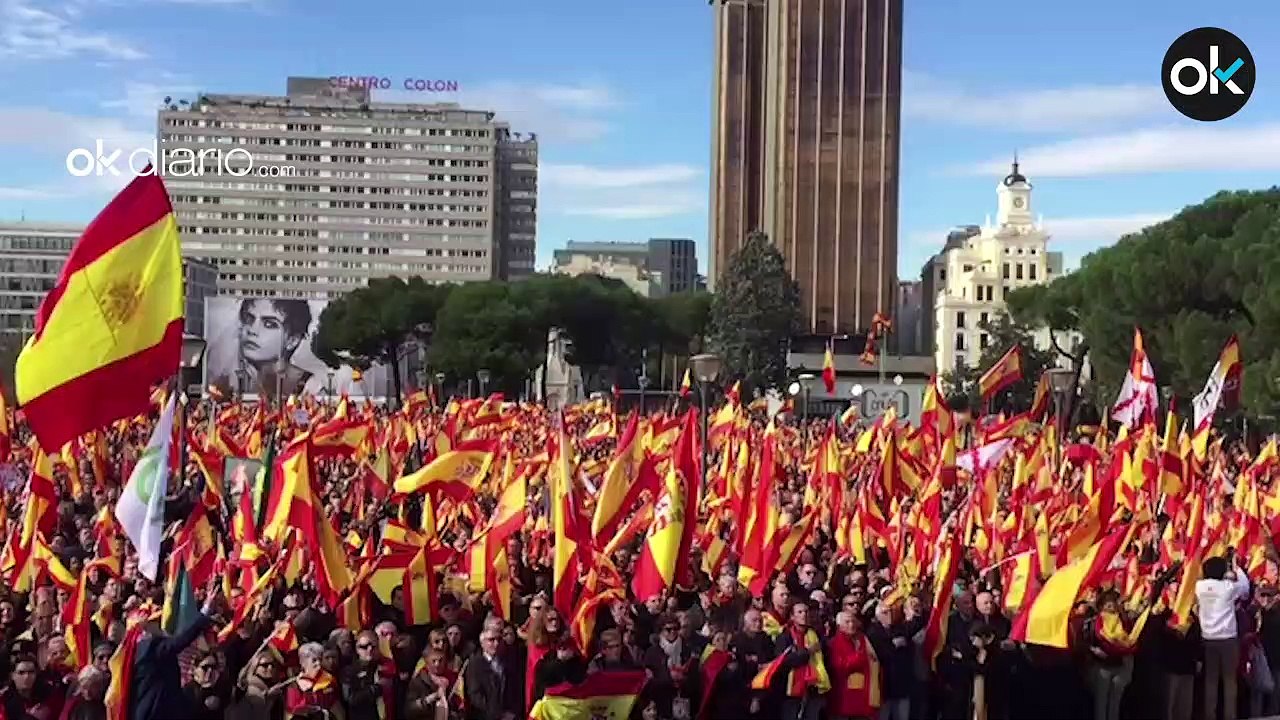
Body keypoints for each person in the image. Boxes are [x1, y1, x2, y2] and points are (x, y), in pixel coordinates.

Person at [124, 589, 223, 720]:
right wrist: (205, 610)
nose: (159, 625)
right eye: (155, 621)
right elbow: (181, 640)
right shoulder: (150, 648)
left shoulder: (132, 650)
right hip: (158, 713)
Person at [218, 298, 314, 399]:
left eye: (269, 324)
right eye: (249, 319)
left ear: (293, 340)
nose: (252, 330)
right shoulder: (226, 379)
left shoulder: (309, 387)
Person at [1197, 553, 1251, 720]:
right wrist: (1236, 567)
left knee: (1211, 680)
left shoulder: (1199, 586)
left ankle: (1209, 715)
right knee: (1229, 681)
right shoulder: (1227, 587)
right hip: (1227, 639)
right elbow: (1245, 588)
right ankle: (1229, 716)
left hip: (1208, 638)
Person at [462, 627, 522, 720]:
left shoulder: (508, 661)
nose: (496, 643)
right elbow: (475, 695)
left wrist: (512, 711)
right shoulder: (474, 664)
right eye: (491, 640)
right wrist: (498, 714)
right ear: (482, 643)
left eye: (499, 639)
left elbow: (515, 688)